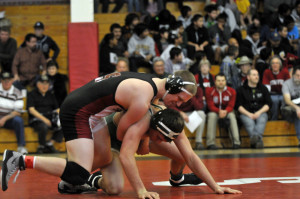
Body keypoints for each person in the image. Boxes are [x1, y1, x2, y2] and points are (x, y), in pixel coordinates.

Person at [1, 70, 198, 199]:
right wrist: (139, 141)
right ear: (171, 89)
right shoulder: (143, 98)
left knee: (104, 159)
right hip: (79, 112)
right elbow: (121, 134)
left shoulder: (149, 82)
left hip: (95, 114)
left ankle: (73, 184)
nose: (178, 104)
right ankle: (19, 160)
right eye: (179, 99)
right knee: (79, 172)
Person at [27, 75, 63, 153]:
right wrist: (45, 120)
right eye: (42, 83)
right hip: (36, 118)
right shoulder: (31, 94)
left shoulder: (51, 94)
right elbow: (31, 110)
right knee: (43, 126)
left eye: (47, 84)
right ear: (37, 84)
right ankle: (41, 146)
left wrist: (60, 114)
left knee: (64, 123)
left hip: (50, 117)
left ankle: (50, 143)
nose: (44, 86)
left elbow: (57, 109)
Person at [236, 69, 272, 148]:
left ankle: (254, 139)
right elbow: (238, 105)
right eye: (254, 75)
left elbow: (268, 104)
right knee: (249, 123)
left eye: (257, 75)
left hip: (261, 112)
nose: (257, 77)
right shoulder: (241, 90)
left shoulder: (263, 88)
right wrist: (249, 114)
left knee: (262, 119)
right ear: (248, 77)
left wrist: (258, 113)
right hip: (246, 113)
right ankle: (258, 141)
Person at [205, 73, 240, 149]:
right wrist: (219, 111)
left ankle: (236, 142)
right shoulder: (209, 91)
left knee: (232, 115)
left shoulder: (232, 91)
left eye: (223, 80)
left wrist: (225, 111)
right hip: (214, 111)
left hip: (228, 111)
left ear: (225, 81)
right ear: (215, 82)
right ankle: (210, 143)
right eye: (218, 80)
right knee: (212, 116)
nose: (221, 82)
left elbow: (231, 105)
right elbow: (210, 105)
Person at [0, 72, 27, 154]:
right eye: (4, 81)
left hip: (9, 119)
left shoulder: (17, 92)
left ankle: (21, 146)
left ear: (12, 81)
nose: (6, 83)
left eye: (8, 80)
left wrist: (4, 119)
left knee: (18, 120)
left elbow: (17, 112)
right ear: (1, 81)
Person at [263, 56, 290, 120]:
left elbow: (288, 85)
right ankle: (273, 119)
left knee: (284, 100)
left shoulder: (285, 72)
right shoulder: (267, 72)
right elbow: (266, 87)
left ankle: (286, 119)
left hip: (283, 93)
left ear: (280, 65)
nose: (275, 65)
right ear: (270, 65)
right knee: (274, 101)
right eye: (273, 63)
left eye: (277, 63)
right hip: (272, 93)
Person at [281, 65, 300, 147]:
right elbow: (287, 100)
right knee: (297, 114)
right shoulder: (286, 84)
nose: (299, 78)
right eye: (297, 75)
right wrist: (297, 108)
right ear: (292, 75)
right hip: (288, 109)